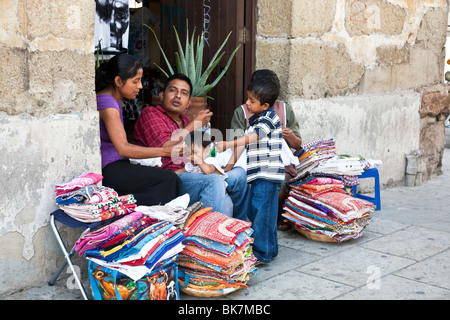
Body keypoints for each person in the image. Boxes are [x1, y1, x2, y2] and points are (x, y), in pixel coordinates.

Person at [134, 73, 248, 213]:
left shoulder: (185, 122)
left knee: (239, 175)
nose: (178, 96)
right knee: (214, 181)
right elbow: (165, 148)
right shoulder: (150, 113)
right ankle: (210, 232)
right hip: (170, 178)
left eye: (184, 93)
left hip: (194, 171)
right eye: (172, 90)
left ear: (188, 103)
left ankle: (240, 228)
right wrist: (194, 124)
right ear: (161, 95)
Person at [95, 53, 183, 206]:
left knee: (166, 181)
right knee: (170, 180)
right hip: (110, 169)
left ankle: (124, 205)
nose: (140, 86)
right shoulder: (107, 103)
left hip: (116, 165)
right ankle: (118, 206)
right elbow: (122, 148)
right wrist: (165, 152)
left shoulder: (113, 99)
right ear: (118, 81)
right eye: (135, 81)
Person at [216, 77, 285, 264]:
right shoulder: (255, 121)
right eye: (248, 98)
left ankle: (261, 254)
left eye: (252, 101)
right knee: (261, 213)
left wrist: (227, 143)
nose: (247, 103)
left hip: (268, 176)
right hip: (257, 175)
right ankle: (270, 250)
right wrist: (228, 166)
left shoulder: (270, 118)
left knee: (262, 214)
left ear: (265, 105)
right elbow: (244, 144)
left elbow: (251, 138)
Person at [230, 69, 302, 231]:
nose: (249, 102)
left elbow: (297, 144)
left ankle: (266, 231)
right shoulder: (241, 112)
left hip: (276, 165)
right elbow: (237, 143)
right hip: (250, 163)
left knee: (270, 193)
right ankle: (257, 227)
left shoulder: (284, 110)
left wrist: (289, 135)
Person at [176, 131, 234, 217]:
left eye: (195, 152)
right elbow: (180, 171)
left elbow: (208, 171)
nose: (192, 157)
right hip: (205, 198)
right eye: (188, 154)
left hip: (222, 199)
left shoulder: (210, 161)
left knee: (223, 222)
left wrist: (199, 160)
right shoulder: (191, 165)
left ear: (207, 151)